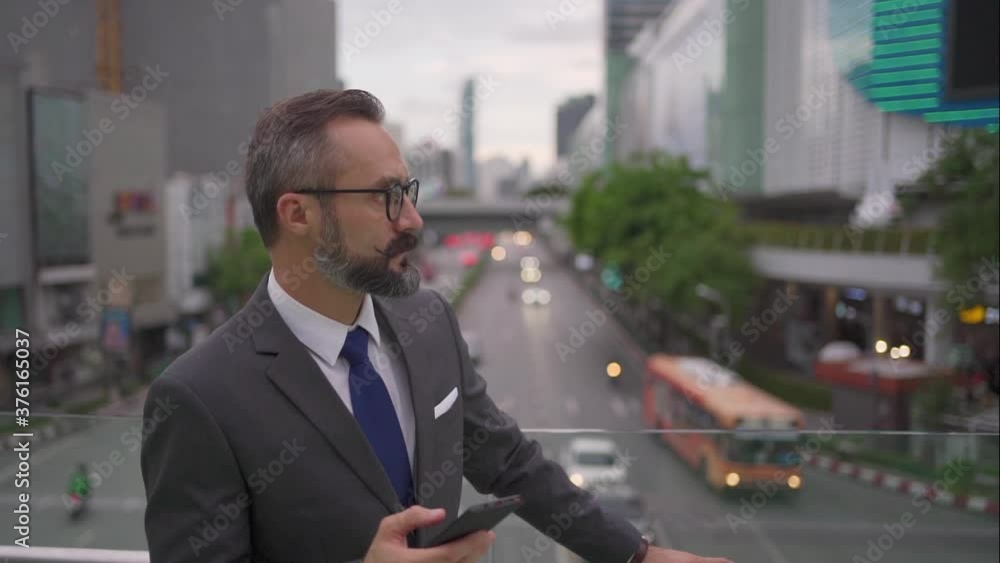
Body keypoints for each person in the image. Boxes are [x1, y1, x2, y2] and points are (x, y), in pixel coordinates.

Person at [139, 89, 732, 563]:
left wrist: (639, 556)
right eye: (386, 197)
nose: (415, 219)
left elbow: (510, 461)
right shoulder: (199, 397)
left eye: (410, 191)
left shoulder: (426, 320)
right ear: (298, 214)